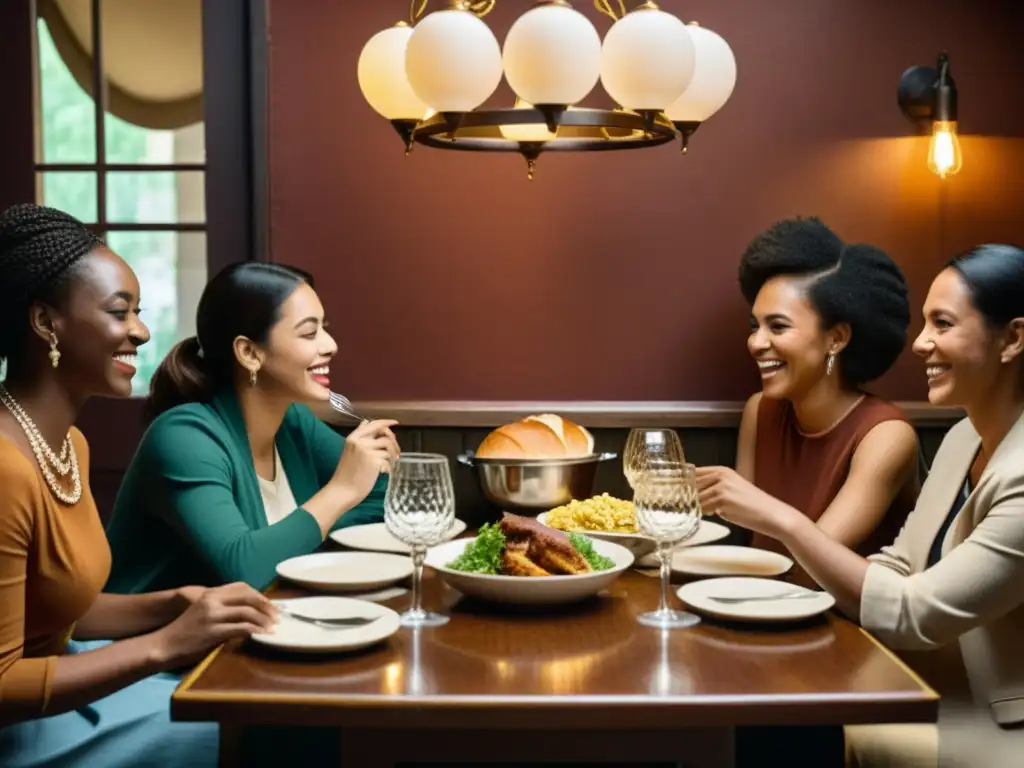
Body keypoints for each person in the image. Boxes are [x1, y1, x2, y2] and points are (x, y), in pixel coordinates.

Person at [700, 244, 1024, 766]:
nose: (920, 344)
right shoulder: (965, 438)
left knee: (779, 734)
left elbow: (916, 613)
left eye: (942, 324)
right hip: (915, 685)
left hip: (991, 721)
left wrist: (780, 519)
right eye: (923, 324)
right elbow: (899, 562)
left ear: (1013, 338)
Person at [0, 203, 276, 768]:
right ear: (45, 323)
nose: (142, 331)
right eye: (119, 311)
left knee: (254, 701)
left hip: (60, 696)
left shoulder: (68, 447)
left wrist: (173, 604)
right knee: (245, 721)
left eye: (139, 312)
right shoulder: (4, 469)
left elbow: (56, 609)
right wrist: (165, 645)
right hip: (19, 733)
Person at [104, 261, 401, 594]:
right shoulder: (184, 437)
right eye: (309, 332)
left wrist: (304, 534)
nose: (330, 344)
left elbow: (385, 498)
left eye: (324, 328)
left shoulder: (293, 422)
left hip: (255, 628)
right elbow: (244, 569)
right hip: (147, 640)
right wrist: (341, 493)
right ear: (248, 352)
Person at [701, 217, 920, 588]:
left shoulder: (887, 436)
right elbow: (751, 548)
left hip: (853, 633)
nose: (756, 343)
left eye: (778, 326)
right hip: (764, 613)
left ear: (836, 338)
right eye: (755, 326)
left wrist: (750, 502)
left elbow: (812, 572)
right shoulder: (761, 410)